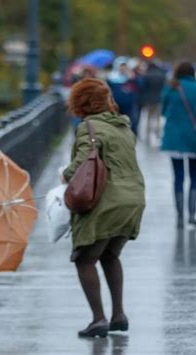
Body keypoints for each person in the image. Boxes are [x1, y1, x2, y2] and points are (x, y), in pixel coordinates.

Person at [63, 78, 145, 338]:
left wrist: (65, 175)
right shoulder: (123, 126)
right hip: (133, 199)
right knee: (110, 255)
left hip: (107, 202)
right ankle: (118, 314)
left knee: (84, 259)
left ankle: (98, 319)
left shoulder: (89, 127)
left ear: (81, 102)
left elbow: (80, 165)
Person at [161, 61, 196, 229]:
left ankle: (180, 216)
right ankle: (192, 215)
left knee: (178, 177)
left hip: (173, 139)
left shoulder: (171, 88)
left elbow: (163, 111)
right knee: (195, 177)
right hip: (195, 139)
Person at [107, 58, 141, 135]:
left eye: (124, 66)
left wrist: (133, 79)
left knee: (130, 122)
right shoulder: (112, 77)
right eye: (121, 66)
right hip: (115, 105)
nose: (122, 68)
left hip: (129, 106)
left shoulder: (131, 77)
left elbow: (140, 87)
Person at [141, 61, 166, 147]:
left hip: (149, 99)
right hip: (159, 98)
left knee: (148, 117)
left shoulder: (147, 75)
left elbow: (143, 87)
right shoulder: (161, 74)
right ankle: (157, 132)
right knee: (157, 117)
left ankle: (147, 132)